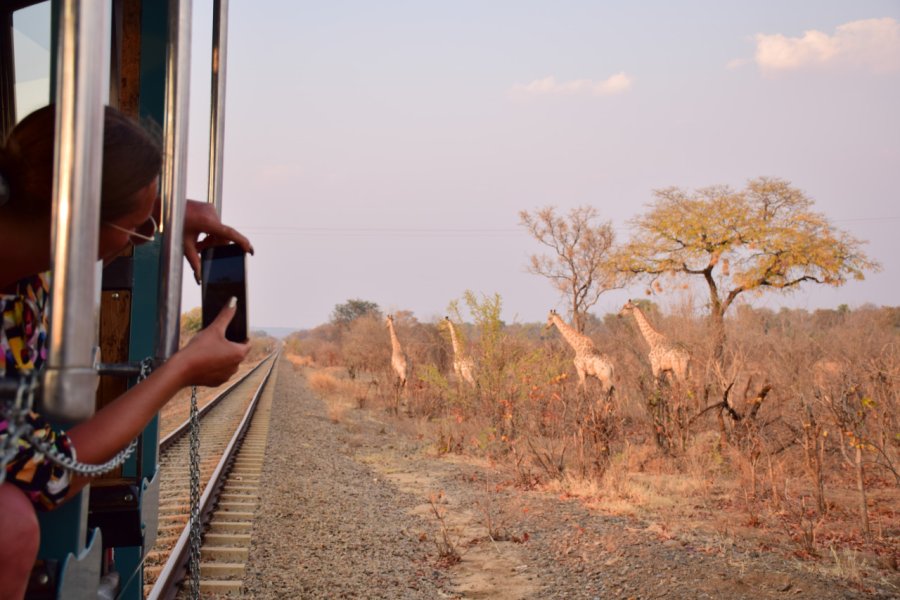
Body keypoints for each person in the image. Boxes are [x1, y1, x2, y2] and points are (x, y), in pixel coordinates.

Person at [0, 104, 253, 599]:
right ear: (76, 216)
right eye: (139, 228)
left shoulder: (29, 260)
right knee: (12, 526)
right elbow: (46, 473)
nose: (144, 236)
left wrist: (169, 210)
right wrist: (178, 371)